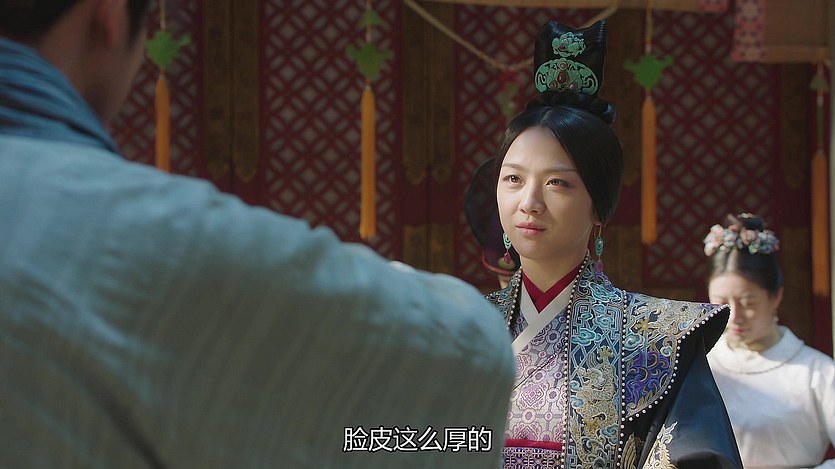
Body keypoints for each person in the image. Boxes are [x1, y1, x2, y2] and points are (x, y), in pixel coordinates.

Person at [0, 1, 516, 467]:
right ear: (110, 15)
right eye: (513, 179)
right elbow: (464, 367)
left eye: (553, 180)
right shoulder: (146, 236)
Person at [484, 19, 742, 468]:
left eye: (558, 183)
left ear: (598, 208)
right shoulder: (462, 327)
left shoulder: (656, 340)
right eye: (513, 179)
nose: (529, 202)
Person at [704, 213, 835, 468]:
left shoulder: (818, 373)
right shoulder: (699, 364)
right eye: (721, 303)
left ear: (776, 297)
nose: (734, 316)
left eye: (748, 303)